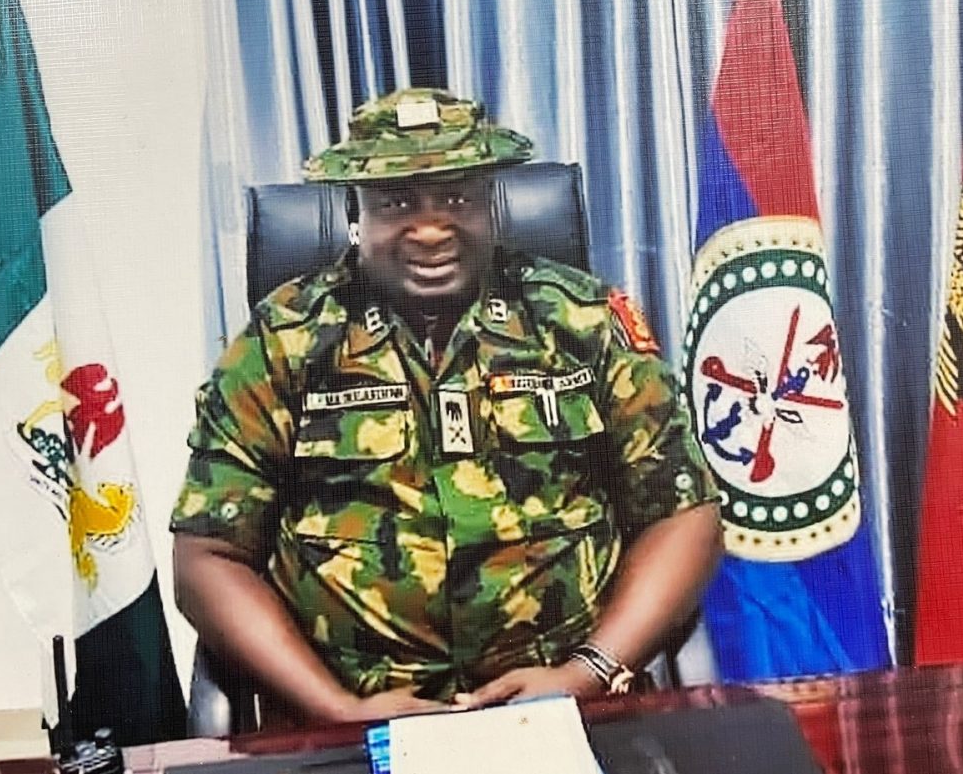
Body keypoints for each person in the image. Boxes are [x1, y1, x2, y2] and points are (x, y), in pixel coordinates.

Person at [171, 88, 722, 726]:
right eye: (397, 203)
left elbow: (684, 512)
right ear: (356, 212)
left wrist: (587, 672)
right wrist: (337, 708)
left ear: (493, 203)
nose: (431, 230)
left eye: (457, 199)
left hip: (568, 704)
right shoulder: (285, 340)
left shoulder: (582, 321)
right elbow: (208, 557)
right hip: (350, 719)